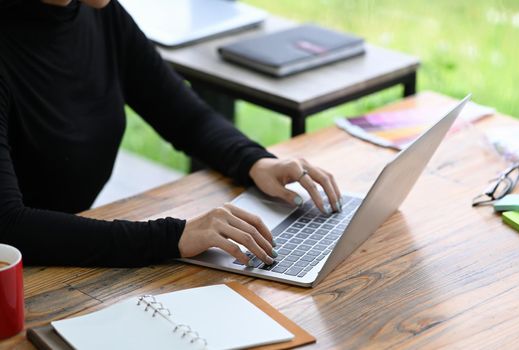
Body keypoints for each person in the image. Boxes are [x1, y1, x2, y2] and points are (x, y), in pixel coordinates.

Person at [0, 0, 342, 267]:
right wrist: (172, 237)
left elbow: (182, 114)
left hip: (64, 258)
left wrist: (254, 161)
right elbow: (9, 226)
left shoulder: (100, 14)